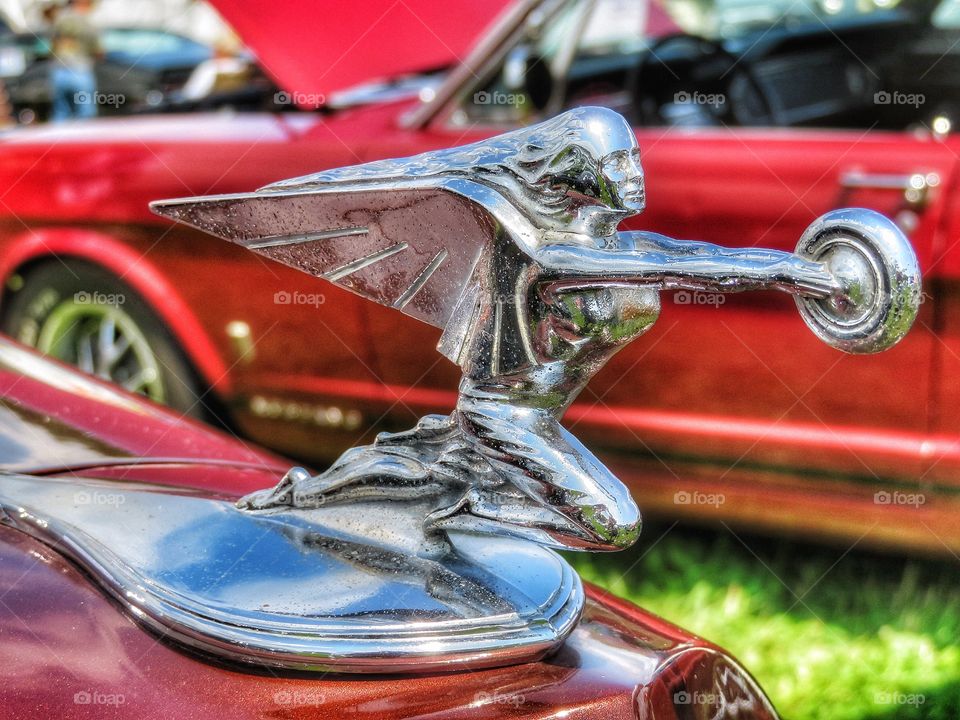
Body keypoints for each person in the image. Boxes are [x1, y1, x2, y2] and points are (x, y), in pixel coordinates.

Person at [189, 107, 838, 551]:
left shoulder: (608, 246)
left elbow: (694, 257)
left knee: (438, 478)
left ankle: (353, 490)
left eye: (634, 158)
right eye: (615, 163)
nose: (634, 174)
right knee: (612, 526)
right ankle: (441, 496)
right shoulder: (544, 252)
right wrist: (798, 274)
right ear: (575, 171)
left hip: (532, 419)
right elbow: (681, 262)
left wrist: (803, 271)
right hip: (506, 418)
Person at [48, 0, 100, 122]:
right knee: (85, 114)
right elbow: (98, 50)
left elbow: (52, 44)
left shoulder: (59, 19)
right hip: (80, 70)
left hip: (59, 71)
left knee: (61, 112)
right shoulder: (88, 22)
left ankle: (58, 140)